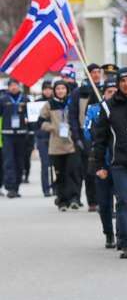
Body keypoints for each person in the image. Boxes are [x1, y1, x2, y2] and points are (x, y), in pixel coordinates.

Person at [93, 68, 127, 259]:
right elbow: (100, 138)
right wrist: (99, 165)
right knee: (124, 201)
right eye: (122, 81)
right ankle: (126, 242)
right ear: (118, 83)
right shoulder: (108, 106)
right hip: (120, 162)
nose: (126, 84)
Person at [85, 78, 119, 248]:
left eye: (115, 92)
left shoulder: (123, 107)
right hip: (102, 160)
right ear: (103, 93)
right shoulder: (94, 109)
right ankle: (108, 233)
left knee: (123, 200)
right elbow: (87, 132)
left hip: (120, 161)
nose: (112, 95)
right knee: (104, 202)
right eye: (109, 92)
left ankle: (123, 234)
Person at [39, 81, 79, 211]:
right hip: (56, 146)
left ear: (67, 90)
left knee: (72, 172)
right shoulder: (49, 104)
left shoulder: (71, 103)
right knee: (60, 174)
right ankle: (62, 201)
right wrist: (52, 128)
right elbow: (40, 121)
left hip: (71, 144)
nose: (60, 91)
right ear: (54, 91)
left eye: (63, 88)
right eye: (58, 89)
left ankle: (74, 198)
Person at [70, 63, 102, 213]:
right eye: (93, 72)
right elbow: (73, 116)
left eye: (98, 72)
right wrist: (77, 137)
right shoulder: (79, 92)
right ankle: (92, 201)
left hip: (102, 132)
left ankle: (104, 199)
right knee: (89, 169)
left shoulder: (104, 89)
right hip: (86, 134)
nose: (96, 75)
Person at [0, 79, 30, 198]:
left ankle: (16, 186)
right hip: (7, 135)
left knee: (19, 161)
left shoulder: (25, 99)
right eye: (11, 85)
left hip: (22, 134)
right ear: (8, 87)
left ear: (19, 86)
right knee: (9, 161)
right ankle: (10, 187)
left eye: (15, 85)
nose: (13, 87)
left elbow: (32, 116)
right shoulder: (3, 100)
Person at [35, 81, 54, 197]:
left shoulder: (55, 102)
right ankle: (46, 188)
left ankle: (56, 187)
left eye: (49, 89)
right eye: (45, 89)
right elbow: (34, 122)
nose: (47, 91)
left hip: (55, 136)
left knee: (55, 164)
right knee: (45, 164)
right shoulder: (37, 103)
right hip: (42, 137)